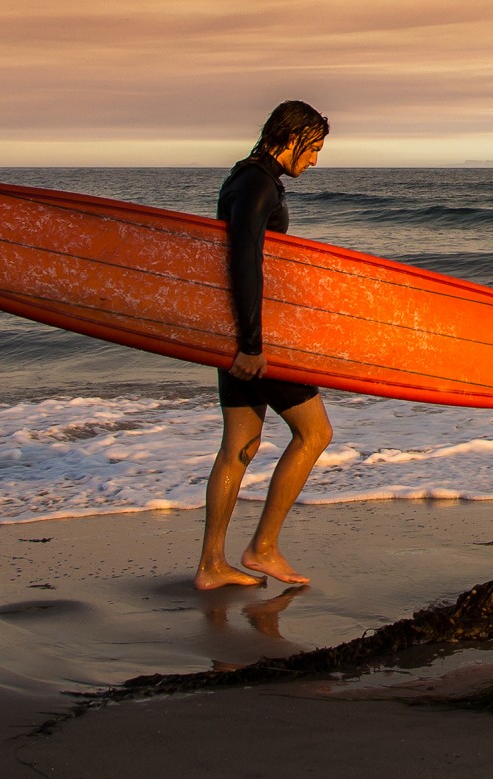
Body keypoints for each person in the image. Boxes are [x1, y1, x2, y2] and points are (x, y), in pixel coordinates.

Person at [194, 100, 333, 591]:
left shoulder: (244, 176)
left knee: (239, 445)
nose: (314, 160)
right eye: (313, 147)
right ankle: (263, 547)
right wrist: (253, 345)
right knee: (315, 434)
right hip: (255, 338)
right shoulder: (256, 185)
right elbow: (244, 263)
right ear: (290, 136)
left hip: (234, 332)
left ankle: (212, 564)